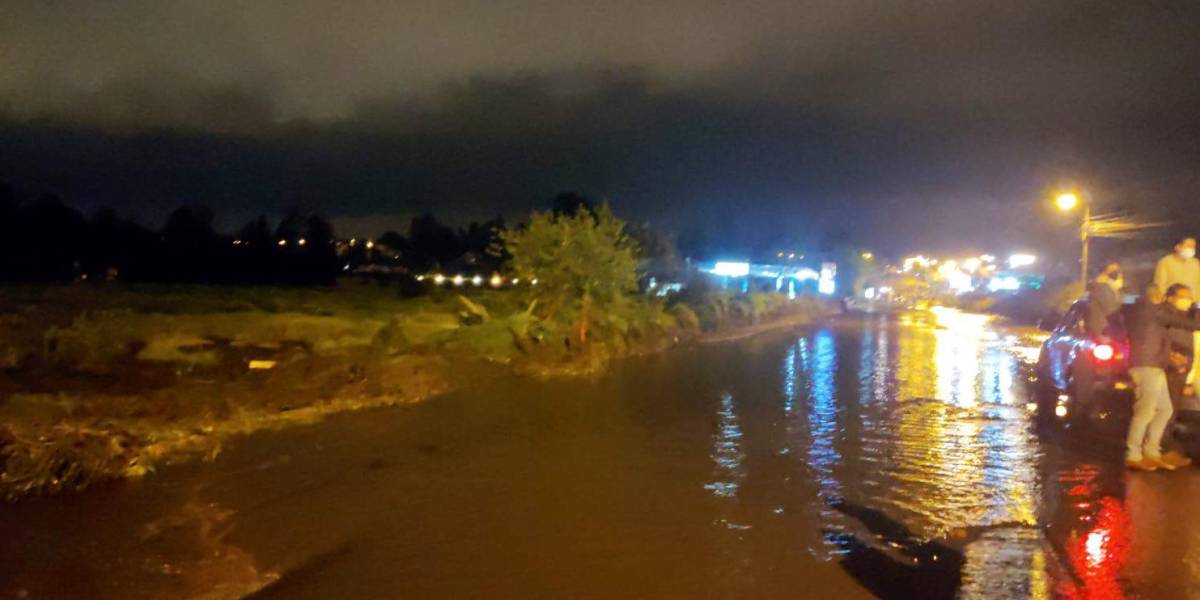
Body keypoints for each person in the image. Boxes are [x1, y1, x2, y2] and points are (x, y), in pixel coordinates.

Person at [1125, 284, 1200, 471]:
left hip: (1155, 365)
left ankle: (1152, 451)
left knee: (1164, 410)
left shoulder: (1148, 312)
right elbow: (1183, 324)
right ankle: (1133, 454)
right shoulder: (1150, 311)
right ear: (1156, 297)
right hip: (1147, 365)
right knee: (1145, 411)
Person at [1155, 238, 1200, 395]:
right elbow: (1160, 285)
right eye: (1188, 246)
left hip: (1190, 307)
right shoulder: (1166, 262)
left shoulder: (1195, 264)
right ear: (1177, 246)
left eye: (1193, 246)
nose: (1191, 249)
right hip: (1173, 306)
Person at [1161, 284, 1196, 466]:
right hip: (1169, 368)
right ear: (1170, 297)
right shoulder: (1166, 316)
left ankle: (1164, 447)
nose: (1187, 300)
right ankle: (1163, 448)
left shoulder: (1184, 317)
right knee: (1165, 411)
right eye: (1184, 296)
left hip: (1180, 369)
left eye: (1189, 297)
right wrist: (1175, 361)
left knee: (1171, 410)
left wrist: (1186, 364)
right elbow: (1164, 341)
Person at [1086, 261, 1124, 338]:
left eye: (1117, 271)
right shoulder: (1100, 289)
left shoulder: (1117, 291)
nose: (1116, 274)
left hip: (1114, 332)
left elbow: (1128, 302)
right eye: (1112, 271)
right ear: (1104, 274)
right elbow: (1111, 309)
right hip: (1103, 332)